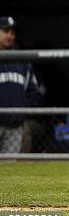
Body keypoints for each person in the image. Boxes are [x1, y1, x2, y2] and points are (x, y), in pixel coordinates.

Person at [0, 17, 42, 154]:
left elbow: (33, 93)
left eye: (12, 32)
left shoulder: (22, 62)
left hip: (14, 127)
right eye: (6, 31)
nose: (10, 36)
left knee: (9, 170)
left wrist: (20, 112)